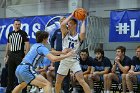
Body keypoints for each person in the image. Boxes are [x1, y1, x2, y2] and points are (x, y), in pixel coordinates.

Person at [55, 11, 91, 93]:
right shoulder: (65, 33)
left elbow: (83, 32)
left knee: (82, 81)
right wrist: (72, 15)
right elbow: (62, 24)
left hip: (74, 60)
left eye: (70, 23)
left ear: (75, 25)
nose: (68, 25)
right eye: (68, 23)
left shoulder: (79, 36)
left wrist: (83, 20)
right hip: (64, 60)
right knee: (58, 82)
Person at [4, 19, 30, 93]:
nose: (17, 26)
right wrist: (6, 56)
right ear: (13, 25)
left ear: (20, 25)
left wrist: (25, 56)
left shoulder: (23, 33)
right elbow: (8, 45)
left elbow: (27, 45)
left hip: (19, 55)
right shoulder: (10, 33)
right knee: (10, 73)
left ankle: (24, 90)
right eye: (16, 24)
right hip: (11, 55)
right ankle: (9, 90)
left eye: (19, 24)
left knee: (21, 73)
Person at [50, 17, 70, 93]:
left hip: (66, 54)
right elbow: (52, 39)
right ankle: (58, 90)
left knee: (66, 74)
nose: (62, 22)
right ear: (59, 22)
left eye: (64, 21)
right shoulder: (57, 31)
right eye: (61, 21)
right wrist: (52, 48)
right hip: (58, 55)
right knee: (57, 72)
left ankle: (66, 90)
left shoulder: (69, 31)